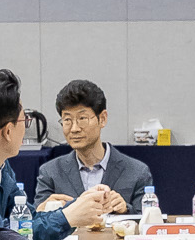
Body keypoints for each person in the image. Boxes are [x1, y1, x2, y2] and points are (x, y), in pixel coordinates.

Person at [0, 68, 82, 240]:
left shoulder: (1, 166)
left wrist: (79, 206)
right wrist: (68, 217)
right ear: (8, 131)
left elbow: (26, 219)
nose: (25, 127)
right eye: (25, 121)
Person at [33, 79, 150, 217]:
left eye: (82, 118)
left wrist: (125, 209)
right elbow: (37, 223)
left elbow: (146, 224)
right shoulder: (50, 172)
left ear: (102, 119)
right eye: (67, 120)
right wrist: (44, 210)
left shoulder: (137, 172)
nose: (74, 129)